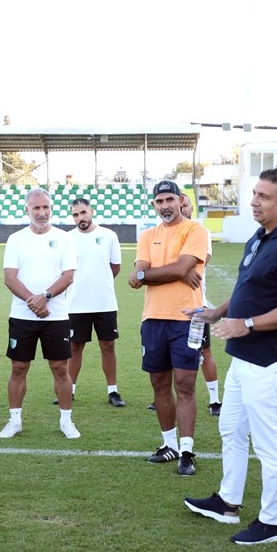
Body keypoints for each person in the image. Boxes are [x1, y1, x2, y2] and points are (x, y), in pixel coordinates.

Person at [183, 168, 277, 544]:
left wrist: (250, 324)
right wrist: (218, 312)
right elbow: (247, 286)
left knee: (270, 444)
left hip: (272, 361)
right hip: (245, 358)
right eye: (254, 194)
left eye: (264, 197)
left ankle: (272, 524)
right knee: (231, 430)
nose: (254, 201)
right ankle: (227, 502)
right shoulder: (263, 235)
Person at [128, 180, 209, 476]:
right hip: (153, 319)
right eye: (160, 200)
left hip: (187, 318)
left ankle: (187, 452)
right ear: (154, 204)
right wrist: (174, 272)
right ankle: (168, 445)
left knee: (185, 384)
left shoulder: (196, 230)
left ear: (180, 201)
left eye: (170, 199)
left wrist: (152, 273)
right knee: (159, 384)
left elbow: (175, 268)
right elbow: (136, 277)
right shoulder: (147, 235)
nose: (165, 205)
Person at [0, 188, 78, 439]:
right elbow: (9, 278)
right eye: (36, 208)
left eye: (46, 208)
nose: (42, 213)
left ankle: (66, 421)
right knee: (19, 367)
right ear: (27, 210)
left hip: (55, 315)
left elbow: (68, 276)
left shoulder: (64, 238)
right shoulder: (16, 239)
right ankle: (14, 421)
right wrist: (33, 302)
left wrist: (46, 297)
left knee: (60, 368)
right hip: (22, 316)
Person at [63, 198, 124, 408]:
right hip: (76, 304)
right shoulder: (67, 238)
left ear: (91, 211)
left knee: (108, 346)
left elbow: (115, 267)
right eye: (76, 215)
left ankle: (113, 391)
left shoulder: (108, 236)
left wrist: (100, 282)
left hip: (104, 302)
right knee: (74, 347)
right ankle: (69, 390)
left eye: (83, 213)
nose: (80, 218)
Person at [181, 193, 221, 416]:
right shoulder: (165, 233)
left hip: (197, 304)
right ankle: (164, 398)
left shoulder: (201, 232)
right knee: (169, 354)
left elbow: (199, 265)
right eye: (181, 204)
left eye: (186, 205)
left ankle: (214, 400)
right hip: (168, 306)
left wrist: (174, 269)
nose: (183, 208)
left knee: (204, 351)